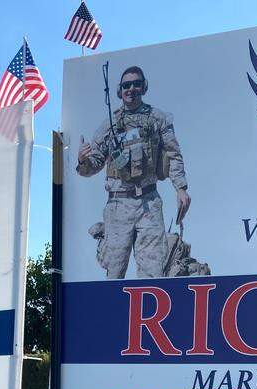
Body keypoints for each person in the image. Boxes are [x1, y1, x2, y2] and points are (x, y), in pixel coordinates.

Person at [77, 65, 190, 279]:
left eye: (136, 84)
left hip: (148, 201)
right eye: (126, 85)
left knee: (152, 272)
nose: (131, 89)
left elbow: (173, 154)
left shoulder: (158, 119)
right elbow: (95, 163)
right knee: (115, 271)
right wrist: (83, 160)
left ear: (144, 87)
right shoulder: (109, 125)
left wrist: (181, 188)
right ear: (120, 91)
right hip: (118, 205)